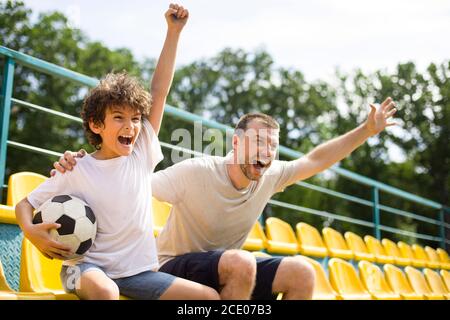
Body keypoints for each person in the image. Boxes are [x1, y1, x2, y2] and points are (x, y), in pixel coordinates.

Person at [56, 97, 397, 300]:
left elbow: (316, 160)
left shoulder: (271, 175)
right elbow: (128, 185)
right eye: (258, 143)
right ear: (236, 144)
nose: (266, 153)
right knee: (241, 262)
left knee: (302, 273)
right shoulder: (196, 172)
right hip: (175, 265)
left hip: (228, 268)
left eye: (272, 147)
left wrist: (366, 130)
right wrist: (84, 164)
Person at [16, 4, 219, 300]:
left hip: (138, 274)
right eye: (119, 118)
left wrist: (173, 33)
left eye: (136, 118)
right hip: (83, 270)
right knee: (106, 291)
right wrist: (30, 232)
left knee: (209, 298)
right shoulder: (77, 168)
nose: (131, 126)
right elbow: (25, 204)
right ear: (97, 124)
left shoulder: (141, 152)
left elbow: (159, 90)